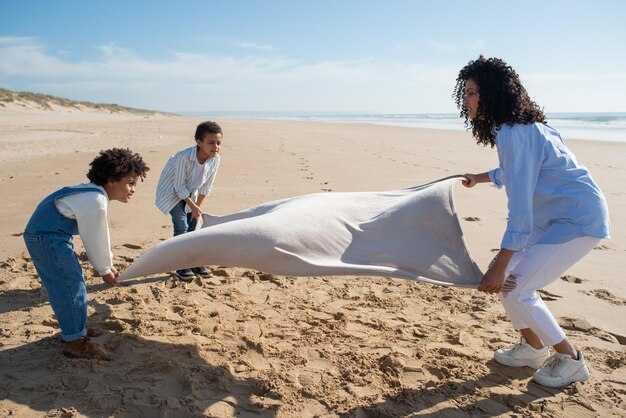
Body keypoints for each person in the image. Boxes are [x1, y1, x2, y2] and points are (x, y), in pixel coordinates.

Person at [454, 56, 610, 388]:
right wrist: (478, 178)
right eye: (465, 93)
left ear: (491, 93)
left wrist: (500, 260)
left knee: (516, 287)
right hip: (553, 216)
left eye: (470, 93)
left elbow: (520, 211)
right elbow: (515, 172)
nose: (465, 100)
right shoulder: (513, 130)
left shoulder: (515, 133)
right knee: (512, 284)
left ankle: (570, 358)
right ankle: (533, 346)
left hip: (577, 218)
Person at [23, 148, 149, 360]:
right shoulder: (96, 201)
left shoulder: (91, 193)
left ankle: (76, 328)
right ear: (111, 180)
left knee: (71, 282)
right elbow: (96, 238)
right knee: (70, 286)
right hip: (48, 238)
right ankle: (74, 342)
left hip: (49, 236)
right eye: (131, 183)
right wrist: (104, 269)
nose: (133, 189)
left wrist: (106, 265)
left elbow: (96, 236)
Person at [155, 120, 223, 281]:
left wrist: (197, 208)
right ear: (199, 142)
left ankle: (193, 262)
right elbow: (178, 187)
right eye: (211, 143)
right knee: (182, 225)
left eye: (219, 143)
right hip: (171, 193)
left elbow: (207, 185)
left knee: (194, 226)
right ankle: (180, 266)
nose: (216, 147)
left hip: (190, 193)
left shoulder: (215, 159)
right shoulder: (183, 157)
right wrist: (192, 206)